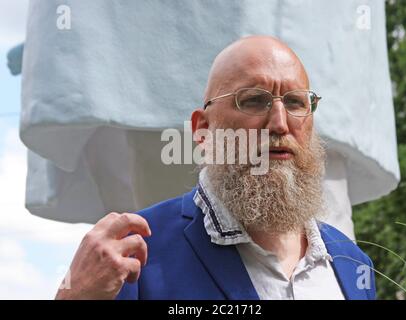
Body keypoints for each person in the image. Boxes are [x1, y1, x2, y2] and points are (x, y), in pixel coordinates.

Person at [55, 36, 376, 300]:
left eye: (295, 102)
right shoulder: (135, 254)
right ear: (203, 129)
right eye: (253, 100)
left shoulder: (352, 263)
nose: (279, 123)